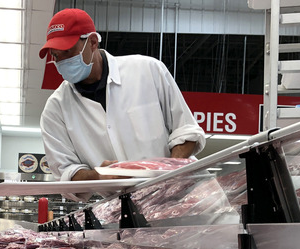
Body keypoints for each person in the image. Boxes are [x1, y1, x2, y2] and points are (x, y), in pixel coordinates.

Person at [39, 8, 206, 182]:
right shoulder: (56, 110)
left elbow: (186, 131)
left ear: (93, 42)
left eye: (68, 52)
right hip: (124, 202)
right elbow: (66, 171)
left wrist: (168, 173)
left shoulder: (147, 70)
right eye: (56, 56)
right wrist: (97, 175)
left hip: (184, 188)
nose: (62, 61)